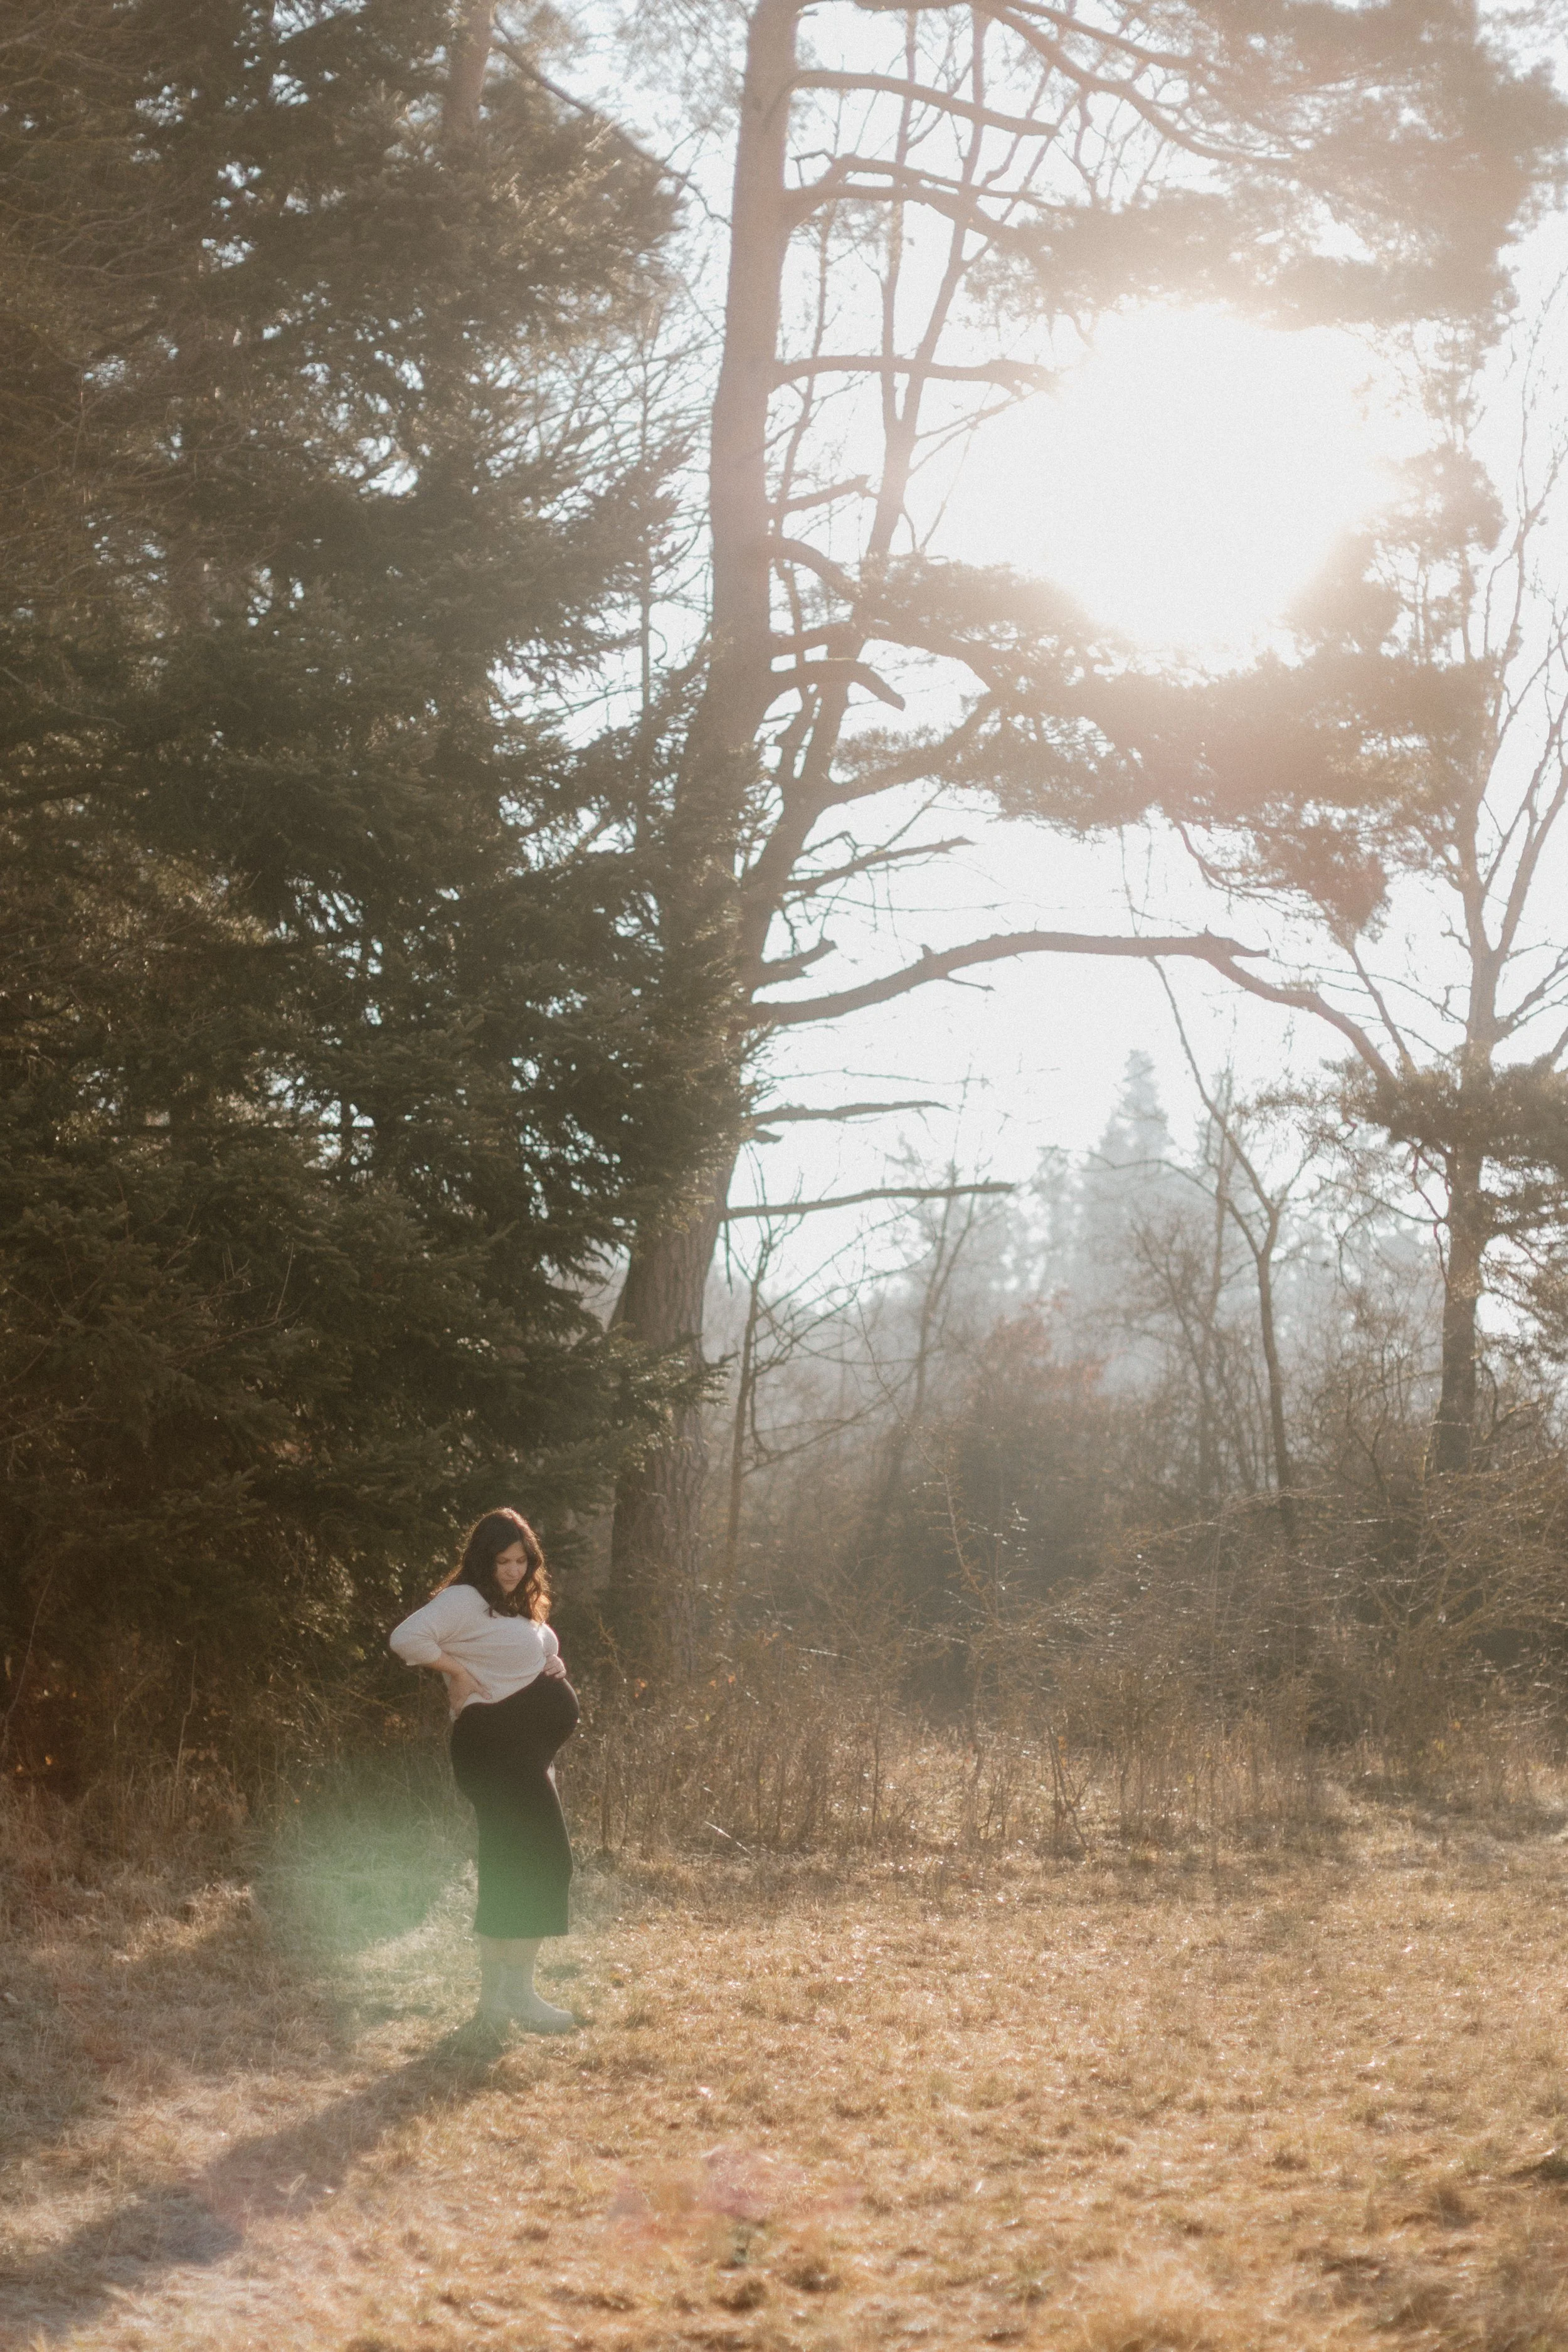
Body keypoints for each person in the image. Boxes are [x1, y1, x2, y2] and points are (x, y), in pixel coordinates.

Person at [389, 1508, 580, 2035]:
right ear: (483, 1560)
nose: (514, 1570)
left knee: (510, 1865)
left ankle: (497, 2002)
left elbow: (535, 1643)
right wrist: (456, 1672)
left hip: (523, 1754)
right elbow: (406, 1638)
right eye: (503, 1561)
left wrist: (552, 1661)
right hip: (497, 1751)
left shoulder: (510, 1603)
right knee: (546, 1862)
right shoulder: (463, 1599)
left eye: (521, 1561)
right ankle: (516, 1996)